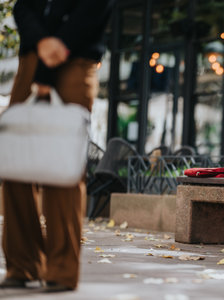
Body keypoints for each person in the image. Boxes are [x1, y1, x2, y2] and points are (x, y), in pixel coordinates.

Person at [0, 0, 113, 292]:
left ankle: (61, 269)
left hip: (75, 58)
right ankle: (23, 264)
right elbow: (23, 6)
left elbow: (96, 8)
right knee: (14, 165)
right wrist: (41, 42)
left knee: (62, 169)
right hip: (32, 56)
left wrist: (58, 46)